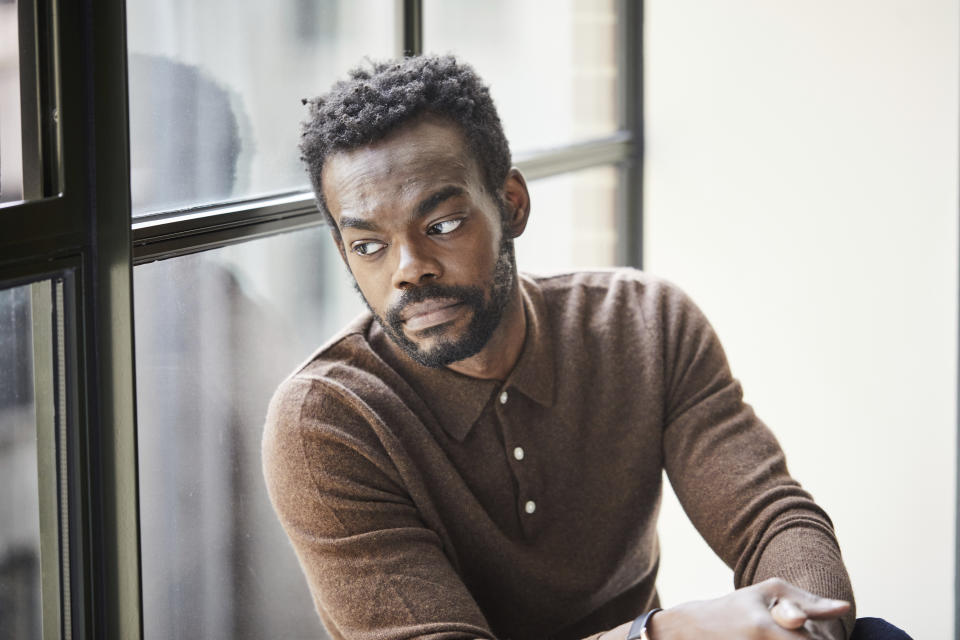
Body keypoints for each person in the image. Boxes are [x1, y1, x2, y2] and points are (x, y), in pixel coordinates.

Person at [262, 54, 910, 640]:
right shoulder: (327, 420)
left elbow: (775, 520)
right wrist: (657, 637)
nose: (409, 268)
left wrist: (801, 623)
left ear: (511, 205)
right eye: (368, 245)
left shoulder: (644, 324)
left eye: (443, 224)